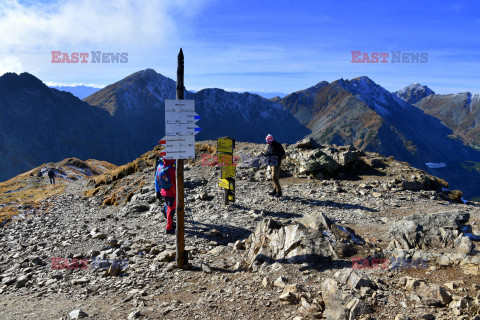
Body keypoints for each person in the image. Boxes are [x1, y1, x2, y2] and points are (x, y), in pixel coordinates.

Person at [155, 158, 176, 234]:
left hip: (163, 192)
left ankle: (170, 224)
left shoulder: (160, 167)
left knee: (168, 207)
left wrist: (157, 191)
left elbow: (157, 178)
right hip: (172, 192)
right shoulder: (173, 169)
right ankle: (169, 228)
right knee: (171, 210)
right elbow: (176, 181)